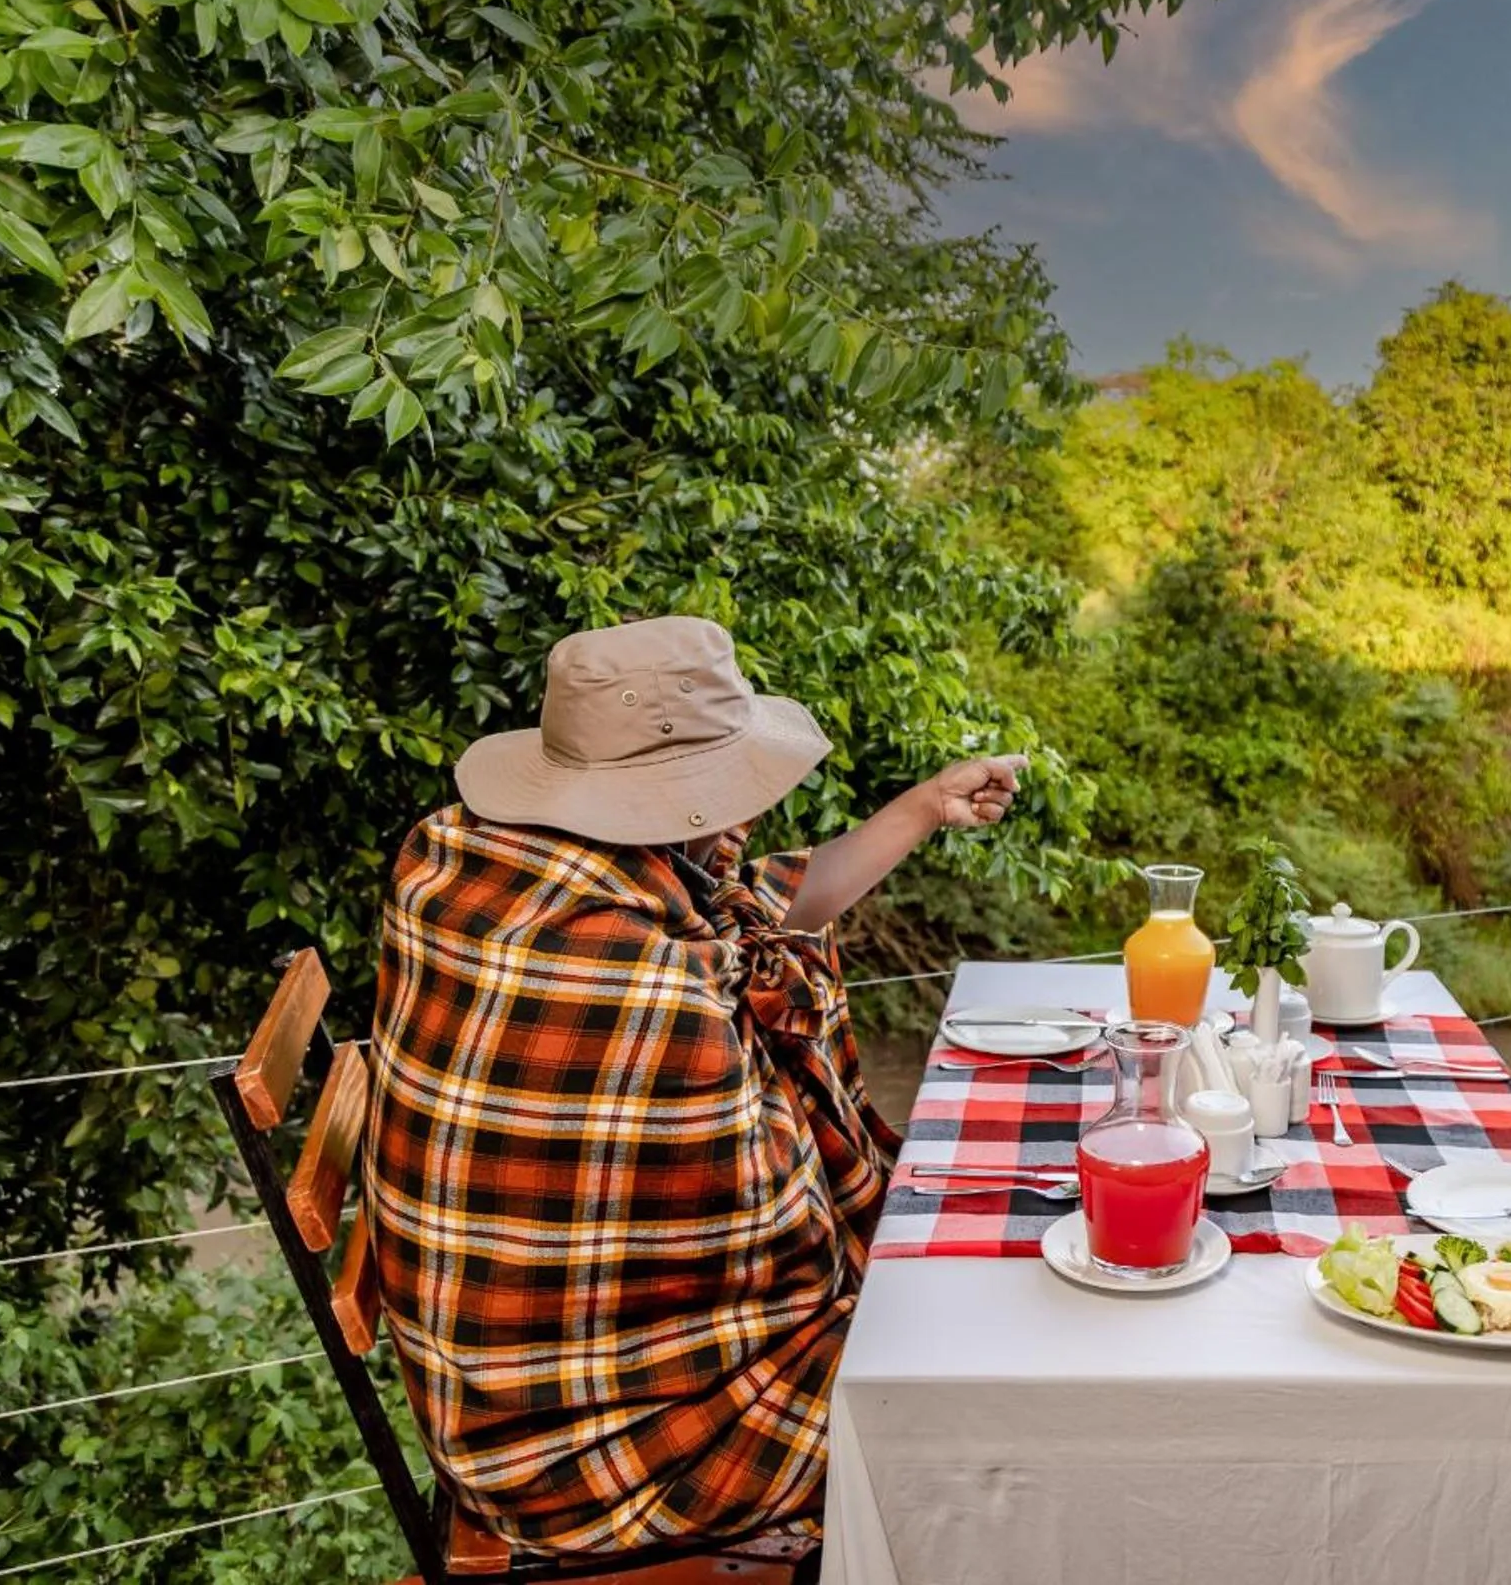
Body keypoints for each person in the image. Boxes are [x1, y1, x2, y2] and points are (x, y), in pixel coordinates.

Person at [366, 615, 1025, 1556]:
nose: (746, 815)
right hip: (593, 1447)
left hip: (503, 1380)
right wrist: (887, 1234)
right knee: (990, 1389)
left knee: (965, 1298)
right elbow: (777, 1232)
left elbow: (756, 915)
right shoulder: (634, 976)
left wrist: (920, 806)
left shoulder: (476, 862)